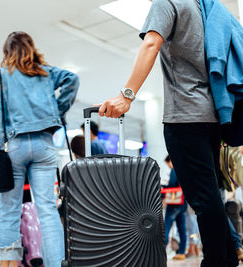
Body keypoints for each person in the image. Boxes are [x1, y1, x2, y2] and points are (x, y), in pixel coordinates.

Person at [97, 1, 239, 266]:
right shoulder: (206, 8)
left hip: (185, 116)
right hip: (214, 116)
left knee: (204, 201)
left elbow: (152, 43)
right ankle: (228, 258)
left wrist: (126, 95)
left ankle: (219, 262)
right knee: (210, 197)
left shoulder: (168, 2)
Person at [0, 31, 79, 267]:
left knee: (9, 210)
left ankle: (8, 264)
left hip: (14, 145)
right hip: (44, 145)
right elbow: (72, 79)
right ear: (31, 48)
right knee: (47, 210)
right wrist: (56, 112)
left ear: (7, 52)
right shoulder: (45, 72)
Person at [163, 155, 187, 260]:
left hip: (174, 204)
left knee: (166, 227)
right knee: (182, 229)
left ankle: (161, 249)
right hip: (183, 203)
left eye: (168, 163)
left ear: (171, 161)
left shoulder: (174, 170)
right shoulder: (183, 170)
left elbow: (172, 185)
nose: (168, 166)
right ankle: (181, 252)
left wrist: (163, 188)